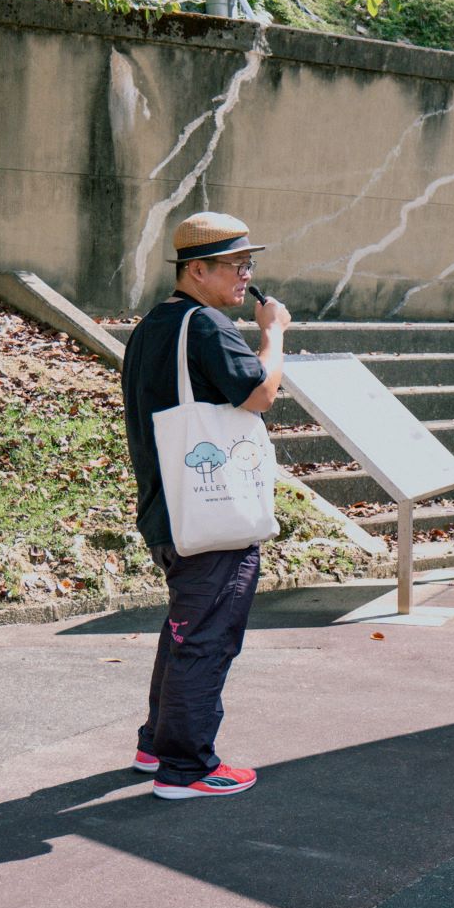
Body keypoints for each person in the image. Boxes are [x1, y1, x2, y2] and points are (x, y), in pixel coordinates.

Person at [121, 212, 290, 800]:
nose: (247, 275)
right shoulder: (208, 326)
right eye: (236, 265)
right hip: (211, 514)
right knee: (206, 637)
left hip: (169, 507)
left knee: (184, 629)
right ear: (197, 269)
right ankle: (186, 769)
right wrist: (274, 335)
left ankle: (155, 744)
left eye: (250, 264)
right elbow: (261, 393)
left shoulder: (153, 327)